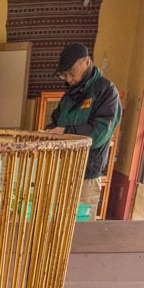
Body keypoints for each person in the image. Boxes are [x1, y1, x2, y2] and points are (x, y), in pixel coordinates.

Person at [45, 43, 121, 219]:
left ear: (87, 62)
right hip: (62, 170)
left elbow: (101, 132)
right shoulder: (69, 95)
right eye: (64, 75)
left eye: (72, 72)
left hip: (86, 175)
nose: (68, 79)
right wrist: (49, 132)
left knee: (82, 225)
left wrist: (66, 132)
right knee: (57, 221)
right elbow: (56, 121)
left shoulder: (106, 90)